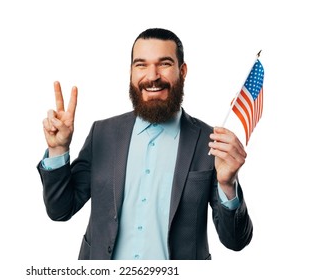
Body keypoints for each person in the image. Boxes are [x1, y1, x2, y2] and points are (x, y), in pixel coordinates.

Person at [37, 28, 253, 260]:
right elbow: (60, 210)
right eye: (141, 64)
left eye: (164, 64)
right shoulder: (103, 133)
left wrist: (228, 184)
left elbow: (236, 241)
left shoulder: (210, 142)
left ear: (182, 71)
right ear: (131, 72)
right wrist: (58, 150)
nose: (152, 76)